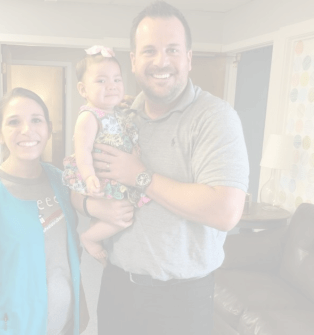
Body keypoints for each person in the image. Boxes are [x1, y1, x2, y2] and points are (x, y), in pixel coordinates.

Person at [71, 1, 249, 334]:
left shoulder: (215, 118)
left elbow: (225, 211)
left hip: (181, 299)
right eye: (149, 51)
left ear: (189, 57)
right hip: (116, 286)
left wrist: (139, 175)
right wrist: (93, 204)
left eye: (172, 50)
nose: (162, 61)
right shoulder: (119, 117)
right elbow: (78, 188)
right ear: (134, 61)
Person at [0, 87, 88, 335]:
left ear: (48, 128)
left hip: (67, 323)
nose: (27, 129)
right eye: (14, 122)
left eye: (36, 120)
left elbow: (68, 251)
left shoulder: (60, 182)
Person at [63, 45, 150, 267]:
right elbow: (82, 151)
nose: (111, 86)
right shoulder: (89, 117)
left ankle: (96, 230)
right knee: (125, 215)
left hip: (119, 172)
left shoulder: (116, 111)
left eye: (117, 80)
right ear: (83, 90)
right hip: (101, 176)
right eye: (101, 81)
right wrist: (89, 176)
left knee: (120, 213)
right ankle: (90, 237)